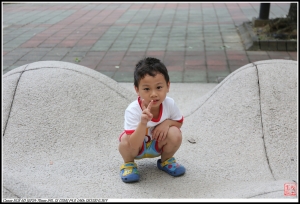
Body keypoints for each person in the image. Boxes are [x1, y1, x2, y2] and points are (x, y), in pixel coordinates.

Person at [118, 57, 186, 183]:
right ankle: (129, 165)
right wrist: (143, 123)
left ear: (168, 86)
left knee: (175, 132)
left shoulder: (169, 103)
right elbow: (133, 144)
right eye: (147, 89)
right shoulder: (133, 110)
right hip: (137, 148)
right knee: (125, 141)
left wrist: (167, 123)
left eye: (159, 87)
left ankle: (166, 161)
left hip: (157, 144)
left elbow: (179, 121)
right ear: (137, 90)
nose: (154, 94)